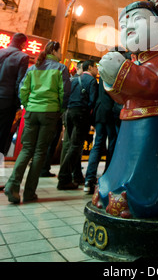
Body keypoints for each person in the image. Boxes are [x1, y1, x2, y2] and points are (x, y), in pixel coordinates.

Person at [96, 0, 158, 219]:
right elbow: (122, 97)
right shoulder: (132, 61)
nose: (128, 26)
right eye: (122, 25)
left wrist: (122, 73)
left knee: (148, 168)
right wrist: (112, 80)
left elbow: (153, 83)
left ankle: (145, 202)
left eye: (136, 19)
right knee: (123, 162)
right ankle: (111, 189)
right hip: (131, 123)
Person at [4, 41, 71, 203]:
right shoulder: (61, 68)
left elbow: (23, 89)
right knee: (40, 152)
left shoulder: (33, 68)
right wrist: (60, 110)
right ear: (54, 51)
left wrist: (28, 105)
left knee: (26, 149)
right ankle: (29, 193)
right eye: (60, 51)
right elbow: (65, 92)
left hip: (32, 111)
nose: (61, 54)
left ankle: (12, 185)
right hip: (49, 112)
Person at [57, 59, 98, 190]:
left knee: (72, 146)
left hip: (69, 113)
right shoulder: (91, 81)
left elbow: (65, 96)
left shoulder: (74, 79)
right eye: (95, 67)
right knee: (76, 146)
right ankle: (63, 178)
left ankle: (75, 176)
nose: (97, 69)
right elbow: (92, 101)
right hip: (81, 113)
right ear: (90, 67)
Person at [83, 76, 118, 194]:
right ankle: (107, 176)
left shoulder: (103, 71)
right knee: (112, 144)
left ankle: (89, 179)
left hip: (99, 111)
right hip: (111, 112)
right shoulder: (116, 69)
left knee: (97, 144)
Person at [0, 33, 29, 164]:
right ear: (23, 44)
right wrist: (19, 104)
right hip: (7, 101)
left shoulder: (1, 52)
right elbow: (20, 82)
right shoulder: (23, 57)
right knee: (2, 135)